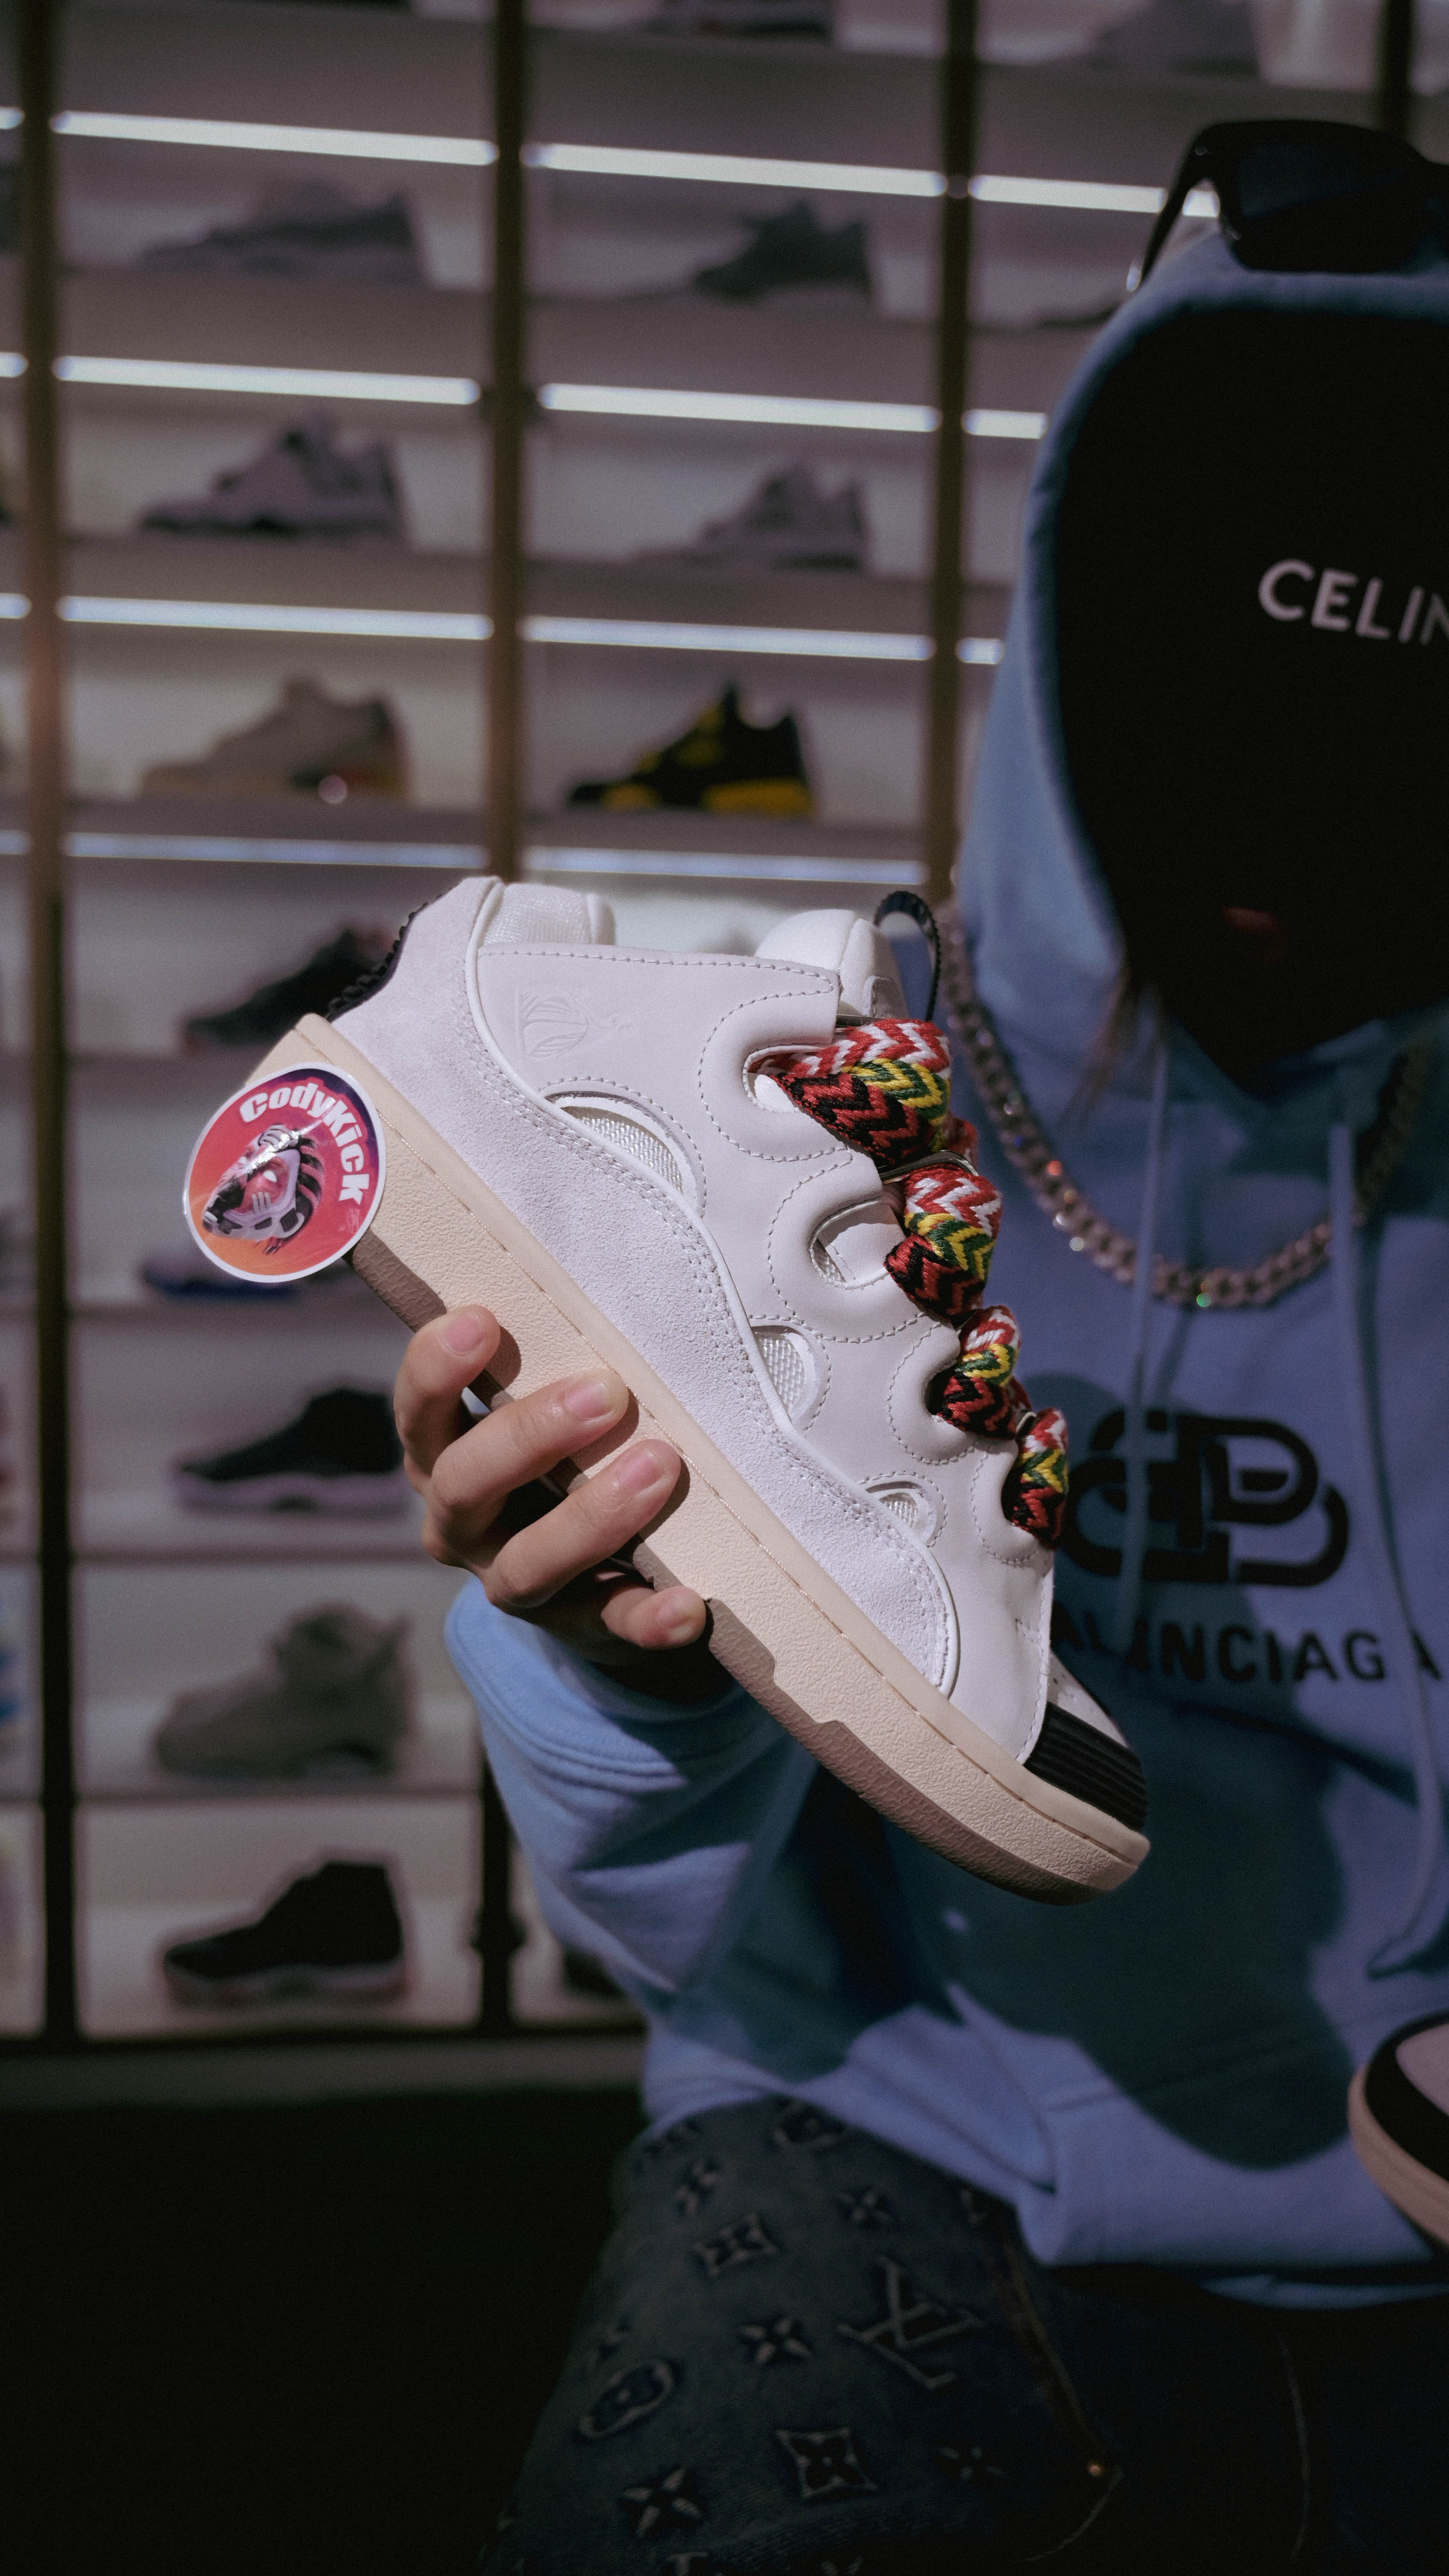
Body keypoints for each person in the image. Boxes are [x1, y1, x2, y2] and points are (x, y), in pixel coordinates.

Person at [398, 133, 1449, 2571]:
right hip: (898, 2115)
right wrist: (626, 1659)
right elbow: (665, 1932)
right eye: (1236, 709)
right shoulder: (821, 1111)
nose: (1291, 835)